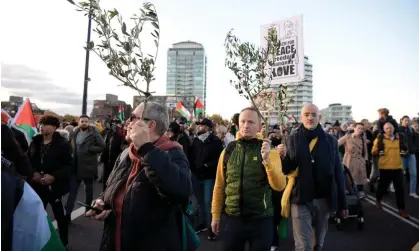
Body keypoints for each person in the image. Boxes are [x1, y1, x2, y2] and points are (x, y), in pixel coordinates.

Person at [86, 102, 192, 251]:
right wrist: (103, 202)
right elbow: (113, 186)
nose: (127, 122)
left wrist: (147, 149)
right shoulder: (126, 153)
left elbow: (180, 192)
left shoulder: (173, 153)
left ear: (150, 125)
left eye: (133, 117)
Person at [211, 107, 286, 251]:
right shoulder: (228, 150)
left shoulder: (269, 151)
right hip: (233, 218)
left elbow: (280, 185)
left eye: (251, 122)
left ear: (259, 126)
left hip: (261, 220)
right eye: (243, 121)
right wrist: (215, 216)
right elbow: (219, 186)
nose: (246, 125)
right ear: (238, 124)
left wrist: (267, 161)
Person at [278, 104, 348, 251]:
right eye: (307, 114)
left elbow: (338, 173)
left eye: (313, 114)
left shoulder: (331, 141)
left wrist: (343, 203)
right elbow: (287, 169)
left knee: (318, 242)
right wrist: (282, 157)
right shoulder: (292, 139)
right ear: (302, 117)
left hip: (324, 199)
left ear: (319, 117)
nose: (310, 118)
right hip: (300, 199)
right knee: (304, 246)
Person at [28, 115, 73, 248]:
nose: (41, 126)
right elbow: (28, 160)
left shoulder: (63, 145)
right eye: (41, 124)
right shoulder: (35, 142)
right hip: (37, 186)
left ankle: (63, 242)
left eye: (45, 124)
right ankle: (36, 242)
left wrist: (53, 176)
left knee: (60, 216)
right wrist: (34, 173)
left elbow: (69, 166)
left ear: (54, 127)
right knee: (36, 215)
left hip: (56, 188)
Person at [65, 115, 105, 223]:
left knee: (89, 191)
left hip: (88, 166)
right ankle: (67, 214)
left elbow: (102, 146)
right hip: (75, 166)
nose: (84, 123)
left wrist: (89, 149)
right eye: (82, 121)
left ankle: (88, 210)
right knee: (72, 191)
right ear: (79, 122)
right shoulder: (74, 133)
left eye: (86, 121)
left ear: (89, 122)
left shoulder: (94, 133)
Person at [189, 118, 223, 240]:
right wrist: (193, 169)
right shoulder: (196, 141)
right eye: (199, 125)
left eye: (201, 125)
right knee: (199, 202)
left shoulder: (215, 141)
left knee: (208, 202)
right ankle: (202, 223)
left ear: (208, 128)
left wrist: (207, 165)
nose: (199, 127)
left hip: (209, 177)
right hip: (197, 176)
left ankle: (212, 228)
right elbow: (191, 156)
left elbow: (220, 159)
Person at [372, 122, 408, 218]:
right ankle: (378, 200)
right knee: (383, 187)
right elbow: (373, 152)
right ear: (384, 130)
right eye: (387, 128)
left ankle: (401, 209)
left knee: (400, 189)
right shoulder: (379, 139)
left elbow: (405, 150)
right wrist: (377, 149)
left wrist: (405, 150)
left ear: (393, 128)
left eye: (390, 128)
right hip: (385, 168)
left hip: (397, 168)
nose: (389, 129)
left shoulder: (399, 138)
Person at [338, 123, 369, 197]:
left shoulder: (362, 139)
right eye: (358, 128)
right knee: (349, 176)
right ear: (354, 128)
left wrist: (365, 160)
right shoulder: (348, 136)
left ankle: (360, 191)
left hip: (359, 159)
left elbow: (365, 151)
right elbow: (336, 143)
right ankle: (349, 191)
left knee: (360, 176)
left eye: (362, 129)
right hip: (349, 159)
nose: (360, 130)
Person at [399, 116, 418, 198]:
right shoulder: (398, 129)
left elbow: (416, 139)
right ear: (401, 121)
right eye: (405, 120)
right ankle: (394, 185)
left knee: (414, 173)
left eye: (408, 120)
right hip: (402, 155)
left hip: (411, 154)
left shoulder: (411, 129)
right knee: (401, 173)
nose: (407, 122)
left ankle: (412, 191)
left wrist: (414, 148)